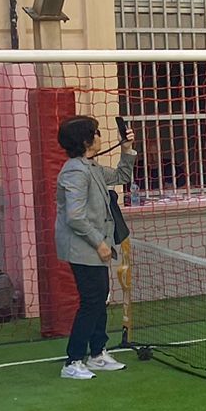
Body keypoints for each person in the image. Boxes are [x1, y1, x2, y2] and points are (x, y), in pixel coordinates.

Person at [52, 115, 135, 383]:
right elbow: (75, 216)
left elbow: (122, 175)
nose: (100, 136)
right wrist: (99, 243)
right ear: (87, 140)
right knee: (91, 301)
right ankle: (73, 360)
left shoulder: (91, 167)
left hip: (96, 246)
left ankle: (97, 353)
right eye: (96, 132)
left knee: (100, 298)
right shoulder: (75, 171)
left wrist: (126, 150)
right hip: (83, 247)